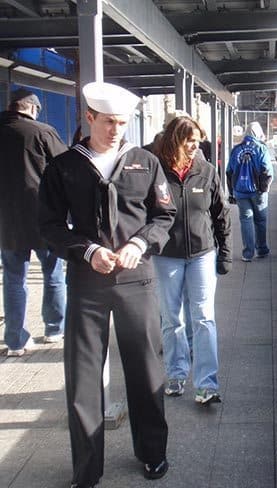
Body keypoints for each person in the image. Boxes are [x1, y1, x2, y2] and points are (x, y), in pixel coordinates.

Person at [38, 81, 176, 487]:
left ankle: (153, 454)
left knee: (147, 369)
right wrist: (86, 250)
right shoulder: (63, 166)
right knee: (82, 378)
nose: (116, 130)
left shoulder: (145, 162)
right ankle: (86, 468)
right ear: (89, 118)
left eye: (122, 122)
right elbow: (49, 226)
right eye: (109, 122)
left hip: (136, 279)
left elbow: (163, 217)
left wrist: (139, 242)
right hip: (86, 281)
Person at [153, 115, 232, 404]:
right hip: (166, 255)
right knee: (172, 318)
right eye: (190, 142)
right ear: (176, 140)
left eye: (197, 143)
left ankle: (207, 384)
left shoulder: (206, 171)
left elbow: (221, 214)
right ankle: (175, 375)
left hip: (202, 254)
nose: (195, 148)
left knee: (204, 318)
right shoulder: (156, 170)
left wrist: (225, 254)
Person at [0, 88, 68, 356]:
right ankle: (54, 329)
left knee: (14, 278)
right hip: (44, 216)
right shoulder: (42, 132)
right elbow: (65, 166)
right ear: (30, 108)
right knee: (53, 273)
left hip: (7, 219)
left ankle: (16, 341)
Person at [226, 121, 273, 262]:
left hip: (240, 191)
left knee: (245, 220)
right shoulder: (261, 149)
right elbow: (267, 171)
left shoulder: (236, 149)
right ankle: (262, 249)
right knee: (260, 220)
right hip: (258, 192)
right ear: (258, 134)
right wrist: (263, 189)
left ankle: (247, 253)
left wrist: (232, 192)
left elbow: (229, 171)